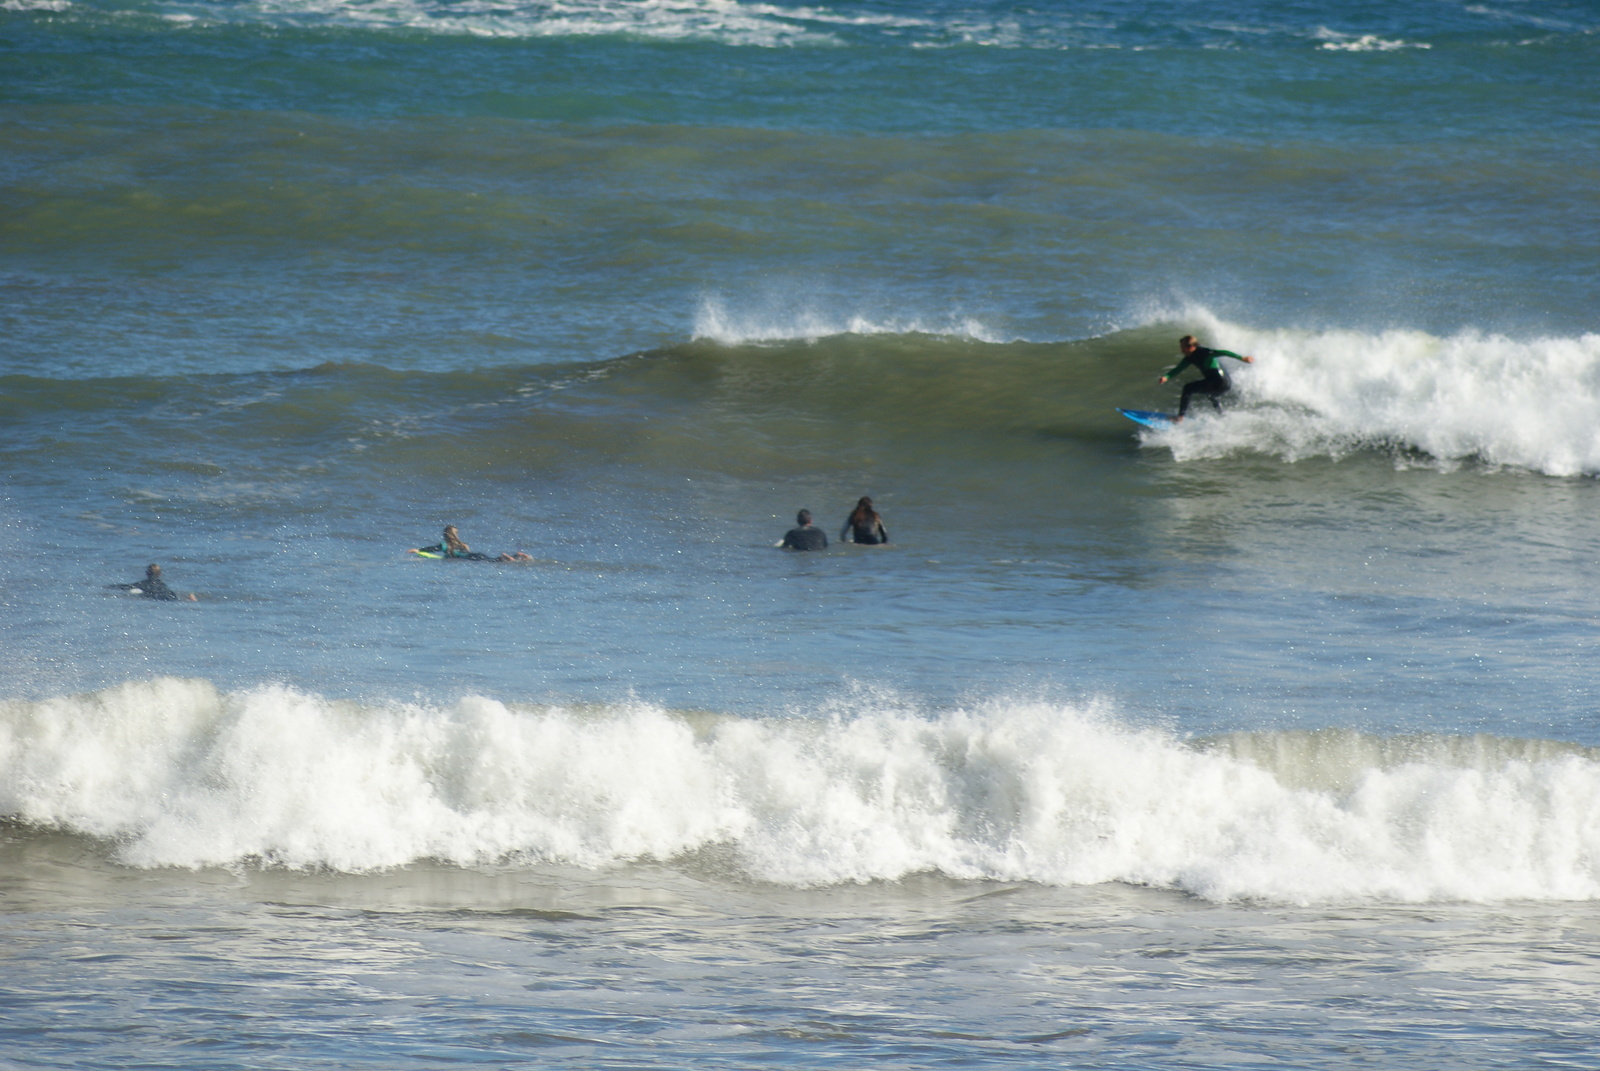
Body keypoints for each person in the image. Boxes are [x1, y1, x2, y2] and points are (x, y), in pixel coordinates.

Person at [1159, 335, 1255, 422]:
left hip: (1219, 381)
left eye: (1183, 348)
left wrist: (1242, 358)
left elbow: (1223, 352)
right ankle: (1222, 416)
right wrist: (1166, 377)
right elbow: (1178, 369)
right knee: (1210, 394)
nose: (1181, 351)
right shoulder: (1190, 357)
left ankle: (1180, 418)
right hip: (1226, 383)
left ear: (1191, 347)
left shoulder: (1204, 352)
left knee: (1188, 388)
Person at [410, 526, 531, 563]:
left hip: (469, 558)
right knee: (491, 559)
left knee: (491, 561)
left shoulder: (444, 545)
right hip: (475, 555)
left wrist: (418, 550)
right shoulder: (463, 545)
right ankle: (516, 556)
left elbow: (432, 549)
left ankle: (508, 558)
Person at [113, 563, 197, 601]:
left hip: (155, 596)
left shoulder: (143, 584)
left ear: (147, 573)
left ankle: (188, 599)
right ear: (160, 574)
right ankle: (189, 598)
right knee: (175, 599)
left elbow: (125, 586)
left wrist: (110, 587)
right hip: (169, 595)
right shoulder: (163, 585)